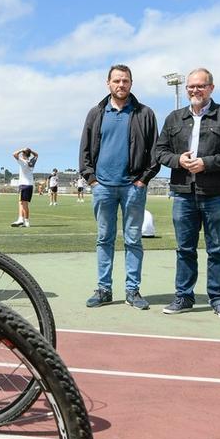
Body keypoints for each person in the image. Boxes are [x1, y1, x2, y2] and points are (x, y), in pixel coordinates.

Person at [153, 68, 220, 319]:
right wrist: (177, 160)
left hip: (215, 193)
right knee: (184, 248)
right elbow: (159, 151)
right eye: (191, 86)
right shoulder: (174, 118)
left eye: (200, 86)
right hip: (183, 193)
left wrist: (207, 162)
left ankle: (218, 298)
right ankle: (184, 295)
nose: (195, 90)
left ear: (211, 88)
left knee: (217, 248)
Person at [78, 64, 159, 310]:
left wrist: (143, 179)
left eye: (125, 81)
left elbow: (154, 152)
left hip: (133, 187)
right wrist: (92, 179)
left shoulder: (144, 113)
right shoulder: (96, 112)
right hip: (103, 187)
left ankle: (132, 291)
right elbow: (84, 151)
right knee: (104, 239)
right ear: (108, 83)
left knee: (133, 239)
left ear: (131, 83)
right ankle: (104, 289)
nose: (121, 85)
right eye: (116, 81)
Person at [11, 147, 37, 227]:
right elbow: (36, 155)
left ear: (24, 154)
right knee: (22, 203)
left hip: (24, 185)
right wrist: (29, 150)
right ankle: (21, 219)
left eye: (22, 153)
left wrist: (22, 149)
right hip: (30, 185)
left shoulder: (23, 161)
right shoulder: (31, 162)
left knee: (23, 204)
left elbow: (14, 154)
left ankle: (25, 221)